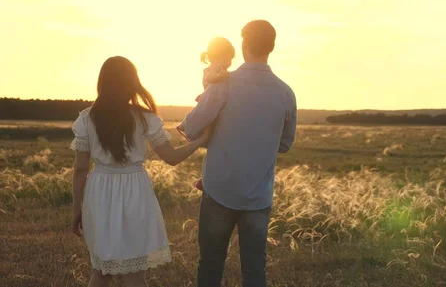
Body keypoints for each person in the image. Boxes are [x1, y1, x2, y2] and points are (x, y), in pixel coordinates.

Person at [70, 56, 209, 287]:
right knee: (134, 274)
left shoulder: (87, 118)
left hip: (99, 191)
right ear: (132, 82)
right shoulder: (145, 118)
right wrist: (201, 140)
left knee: (101, 271)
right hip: (135, 190)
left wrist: (77, 209)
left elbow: (80, 169)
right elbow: (172, 157)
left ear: (102, 82)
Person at [181, 20, 297, 287]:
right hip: (258, 196)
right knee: (255, 271)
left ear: (243, 45)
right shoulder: (286, 93)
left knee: (210, 264)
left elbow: (192, 127)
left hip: (219, 190)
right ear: (272, 47)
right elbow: (285, 144)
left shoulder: (224, 84)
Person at [177, 37, 235, 191]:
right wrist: (222, 76)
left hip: (212, 104)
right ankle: (207, 177)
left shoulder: (216, 67)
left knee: (213, 145)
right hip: (211, 106)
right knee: (214, 142)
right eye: (229, 58)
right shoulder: (215, 68)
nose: (230, 62)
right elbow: (209, 78)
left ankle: (206, 177)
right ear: (219, 56)